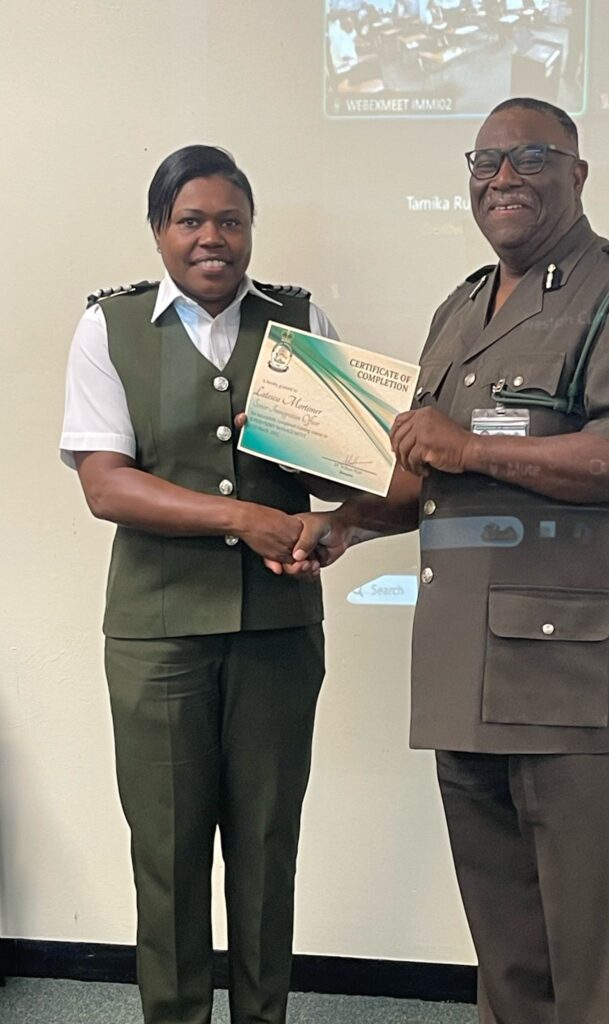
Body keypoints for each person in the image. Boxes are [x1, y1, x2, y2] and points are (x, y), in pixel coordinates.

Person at [283, 97, 609, 1024]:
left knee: (591, 953)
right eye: (485, 163)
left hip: (576, 679)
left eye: (530, 158)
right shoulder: (461, 307)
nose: (503, 179)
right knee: (506, 947)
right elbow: (426, 475)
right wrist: (348, 523)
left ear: (578, 175)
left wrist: (469, 446)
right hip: (464, 672)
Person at [60, 144, 340, 1024]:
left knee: (267, 846)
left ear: (251, 230)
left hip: (276, 631)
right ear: (159, 230)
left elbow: (346, 474)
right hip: (158, 634)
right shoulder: (108, 326)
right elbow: (106, 485)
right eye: (191, 220)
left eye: (230, 220)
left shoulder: (299, 319)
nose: (212, 237)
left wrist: (299, 440)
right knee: (169, 851)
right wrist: (242, 516)